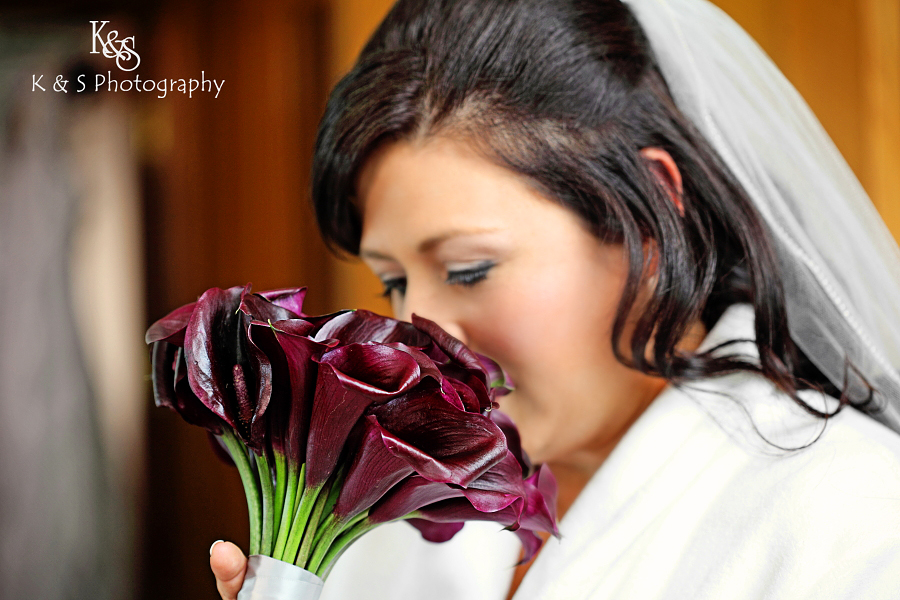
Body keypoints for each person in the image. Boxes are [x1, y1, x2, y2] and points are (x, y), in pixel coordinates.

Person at [210, 0, 900, 598]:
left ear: (649, 212)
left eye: (470, 268)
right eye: (392, 281)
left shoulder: (854, 525)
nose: (413, 338)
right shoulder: (401, 510)